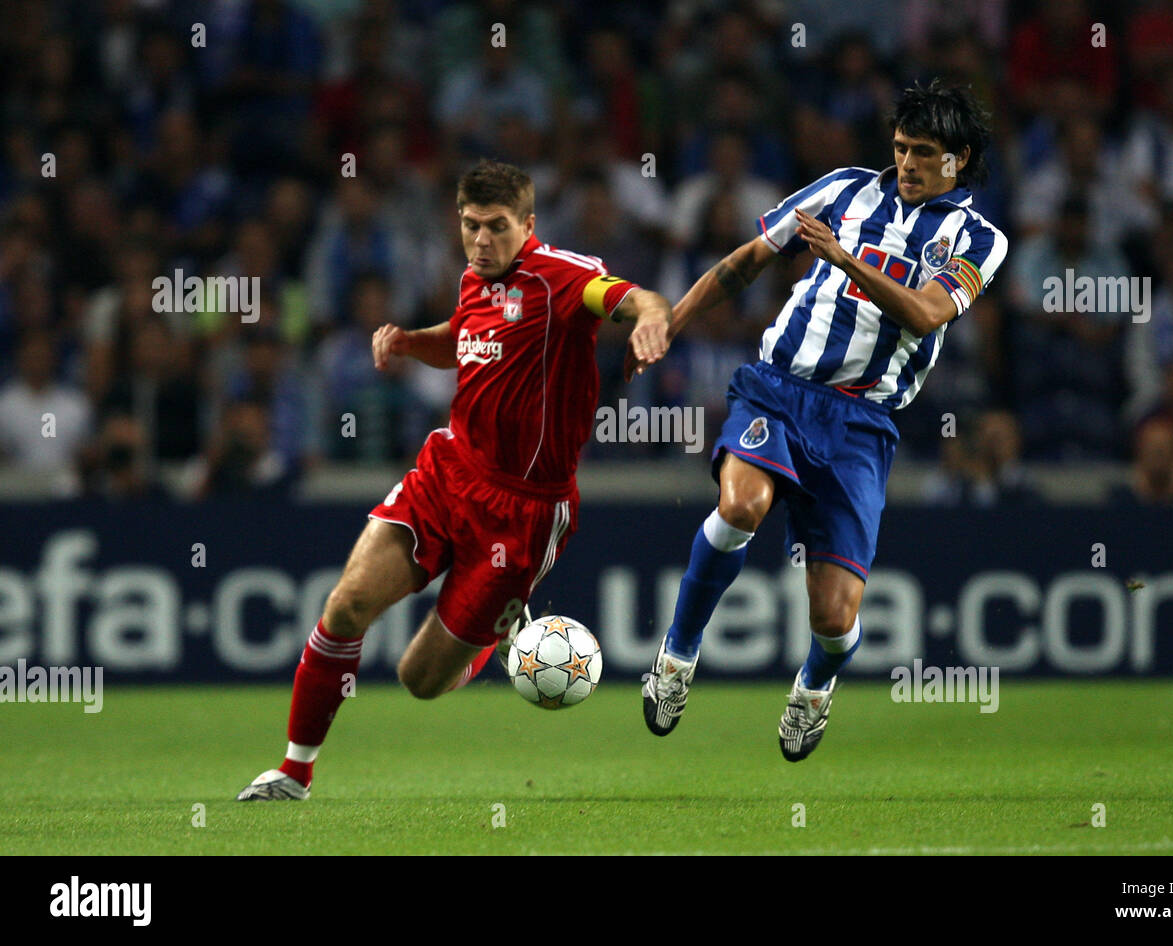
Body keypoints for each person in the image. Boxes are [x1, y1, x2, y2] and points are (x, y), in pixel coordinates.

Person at [238, 159, 670, 800]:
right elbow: (465, 337)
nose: (482, 242)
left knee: (419, 678)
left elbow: (633, 297)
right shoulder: (474, 277)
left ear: (528, 224)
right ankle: (294, 771)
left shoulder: (562, 277)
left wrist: (652, 320)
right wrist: (413, 342)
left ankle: (493, 636)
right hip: (449, 472)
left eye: (497, 227)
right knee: (345, 606)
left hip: (525, 511)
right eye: (470, 227)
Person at [642, 81, 1008, 761]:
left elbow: (926, 314)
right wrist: (671, 322)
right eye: (900, 148)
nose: (906, 163)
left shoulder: (980, 239)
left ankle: (814, 685)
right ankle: (677, 656)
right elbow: (747, 260)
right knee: (742, 504)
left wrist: (845, 260)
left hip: (861, 426)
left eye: (924, 153)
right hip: (779, 389)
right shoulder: (843, 189)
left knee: (835, 619)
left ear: (958, 158)